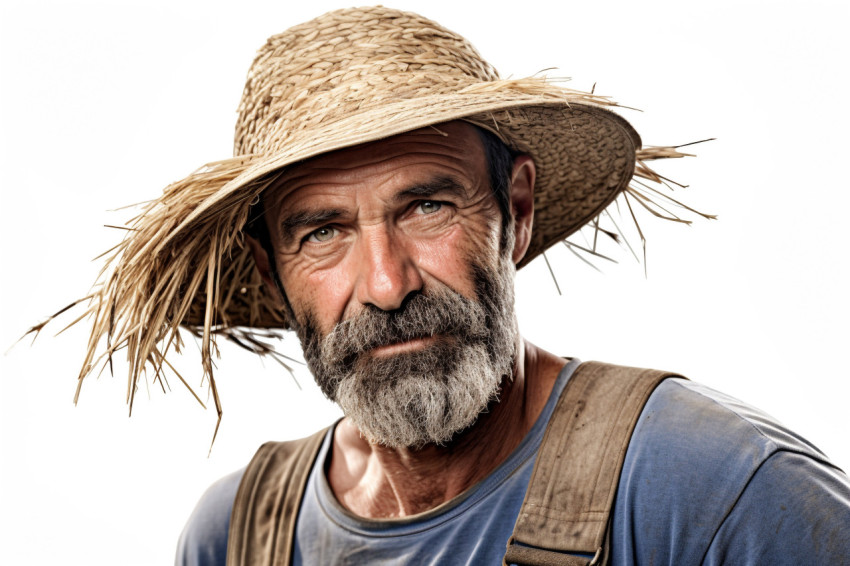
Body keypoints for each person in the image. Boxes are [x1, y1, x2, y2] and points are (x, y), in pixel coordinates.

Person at [38, 6, 848, 565]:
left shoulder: (718, 491)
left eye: (426, 206)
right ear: (270, 273)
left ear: (516, 211)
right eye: (323, 233)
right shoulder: (238, 536)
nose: (387, 285)